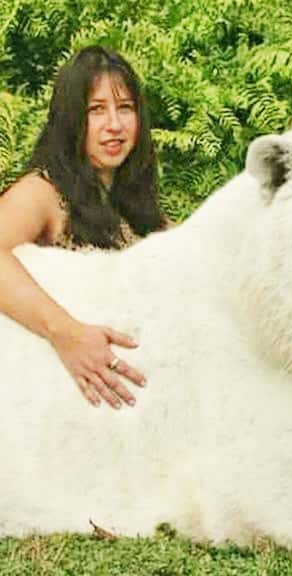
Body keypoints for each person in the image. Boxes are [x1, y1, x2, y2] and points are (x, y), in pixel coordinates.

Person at [0, 45, 168, 409]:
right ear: (71, 119)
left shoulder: (138, 211)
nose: (114, 125)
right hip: (49, 408)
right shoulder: (43, 193)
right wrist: (66, 333)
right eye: (96, 110)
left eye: (125, 108)